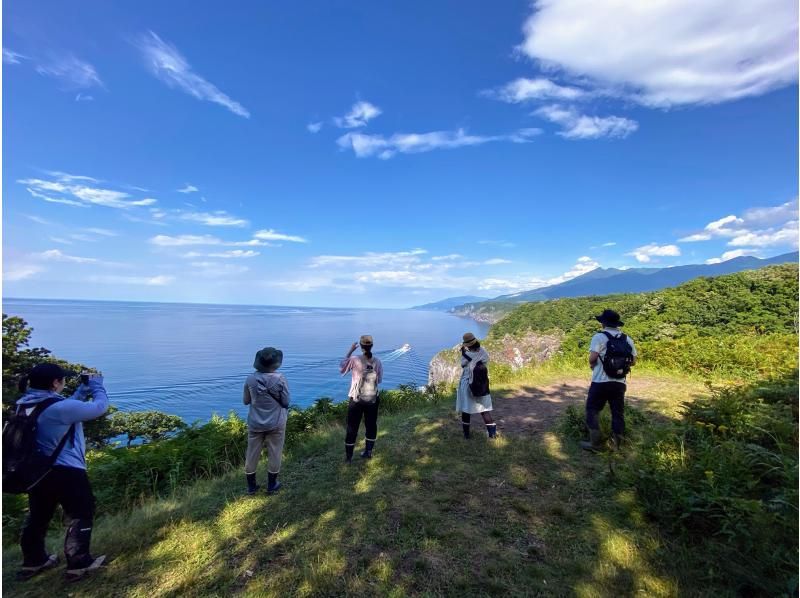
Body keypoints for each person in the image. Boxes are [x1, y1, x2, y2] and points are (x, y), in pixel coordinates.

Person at [14, 363, 109, 582]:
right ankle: (79, 563)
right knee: (80, 513)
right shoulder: (59, 409)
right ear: (56, 383)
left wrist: (80, 392)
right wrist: (96, 386)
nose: (64, 382)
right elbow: (100, 407)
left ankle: (34, 560)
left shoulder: (25, 404)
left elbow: (64, 408)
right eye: (62, 380)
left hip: (37, 472)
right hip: (66, 470)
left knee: (38, 516)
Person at [581, 309, 637, 452]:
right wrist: (619, 367)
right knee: (617, 413)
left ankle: (595, 444)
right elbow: (633, 361)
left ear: (603, 323)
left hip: (600, 381)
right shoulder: (627, 339)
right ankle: (617, 445)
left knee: (592, 410)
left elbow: (592, 358)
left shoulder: (599, 337)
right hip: (619, 383)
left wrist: (592, 365)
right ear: (617, 324)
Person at [244, 347, 290, 495]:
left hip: (255, 423)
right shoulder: (280, 379)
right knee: (275, 452)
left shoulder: (250, 379)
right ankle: (272, 484)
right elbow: (286, 401)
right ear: (275, 364)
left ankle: (251, 487)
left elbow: (246, 401)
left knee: (251, 453)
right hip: (276, 422)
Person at [340, 335, 383, 463]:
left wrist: (350, 350)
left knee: (352, 427)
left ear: (361, 346)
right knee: (371, 425)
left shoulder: (354, 359)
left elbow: (342, 367)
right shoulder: (377, 361)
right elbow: (379, 380)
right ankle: (368, 452)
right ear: (372, 346)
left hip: (356, 399)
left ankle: (348, 458)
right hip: (372, 399)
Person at [457, 333, 496, 439]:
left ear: (466, 344)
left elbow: (463, 364)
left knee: (466, 410)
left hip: (467, 384)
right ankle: (492, 435)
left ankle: (466, 435)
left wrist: (464, 352)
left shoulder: (466, 354)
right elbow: (486, 359)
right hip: (481, 384)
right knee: (484, 410)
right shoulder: (483, 351)